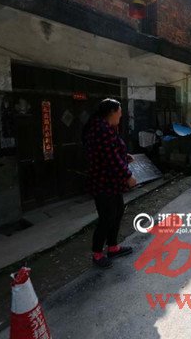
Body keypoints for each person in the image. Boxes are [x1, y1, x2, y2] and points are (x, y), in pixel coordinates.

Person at [82, 98, 137, 268]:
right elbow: (110, 158)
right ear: (112, 112)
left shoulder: (107, 127)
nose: (121, 115)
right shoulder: (101, 129)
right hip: (103, 181)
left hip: (111, 181)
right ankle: (97, 254)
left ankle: (113, 247)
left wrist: (124, 156)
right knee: (106, 217)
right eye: (119, 112)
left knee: (118, 211)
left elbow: (112, 151)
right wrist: (128, 175)